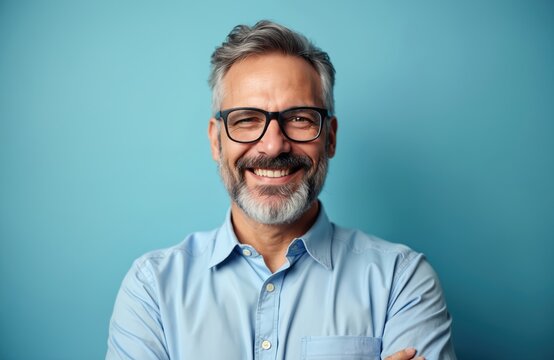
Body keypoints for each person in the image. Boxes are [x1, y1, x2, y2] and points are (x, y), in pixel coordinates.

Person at [106, 20, 456, 360]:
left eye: (300, 119)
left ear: (330, 137)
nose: (273, 146)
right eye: (246, 120)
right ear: (216, 140)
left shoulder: (401, 281)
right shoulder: (152, 288)